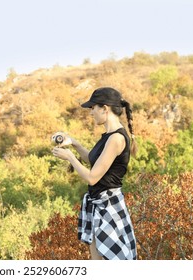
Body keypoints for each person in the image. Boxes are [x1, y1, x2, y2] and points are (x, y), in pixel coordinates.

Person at [52, 87, 137, 260]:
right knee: (97, 259)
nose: (91, 113)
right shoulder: (109, 135)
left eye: (93, 108)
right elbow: (94, 162)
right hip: (99, 204)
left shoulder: (116, 139)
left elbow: (92, 177)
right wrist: (74, 144)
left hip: (108, 206)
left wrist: (70, 158)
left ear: (104, 109)